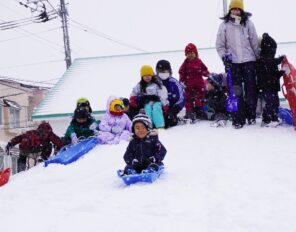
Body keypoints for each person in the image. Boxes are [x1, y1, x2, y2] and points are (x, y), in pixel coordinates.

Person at [216, 0, 260, 129]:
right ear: (230, 10)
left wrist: (258, 59)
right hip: (233, 64)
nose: (235, 11)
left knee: (251, 90)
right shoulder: (224, 26)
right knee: (236, 92)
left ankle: (251, 116)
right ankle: (238, 118)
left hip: (249, 62)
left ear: (242, 11)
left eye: (238, 9)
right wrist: (224, 57)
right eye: (233, 9)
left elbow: (255, 43)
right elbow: (220, 45)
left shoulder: (248, 24)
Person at [256, 33, 285, 127]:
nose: (274, 51)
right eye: (273, 49)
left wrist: (280, 73)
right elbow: (269, 63)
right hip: (267, 85)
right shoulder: (263, 59)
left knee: (275, 102)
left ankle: (274, 118)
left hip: (272, 84)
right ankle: (266, 119)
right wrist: (280, 59)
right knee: (270, 102)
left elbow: (273, 72)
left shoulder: (269, 59)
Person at [179, 43, 210, 122]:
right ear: (186, 54)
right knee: (188, 99)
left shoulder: (199, 62)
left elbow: (204, 69)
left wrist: (206, 73)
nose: (190, 55)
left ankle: (199, 110)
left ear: (196, 53)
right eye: (188, 53)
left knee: (199, 98)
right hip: (188, 86)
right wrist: (182, 82)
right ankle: (189, 112)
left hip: (199, 85)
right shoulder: (185, 64)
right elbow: (181, 72)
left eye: (192, 53)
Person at [156, 60, 185, 128]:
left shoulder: (174, 83)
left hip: (171, 109)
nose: (163, 73)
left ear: (169, 71)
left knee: (169, 122)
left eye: (165, 71)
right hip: (157, 109)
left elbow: (182, 98)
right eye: (161, 71)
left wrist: (175, 109)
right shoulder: (153, 82)